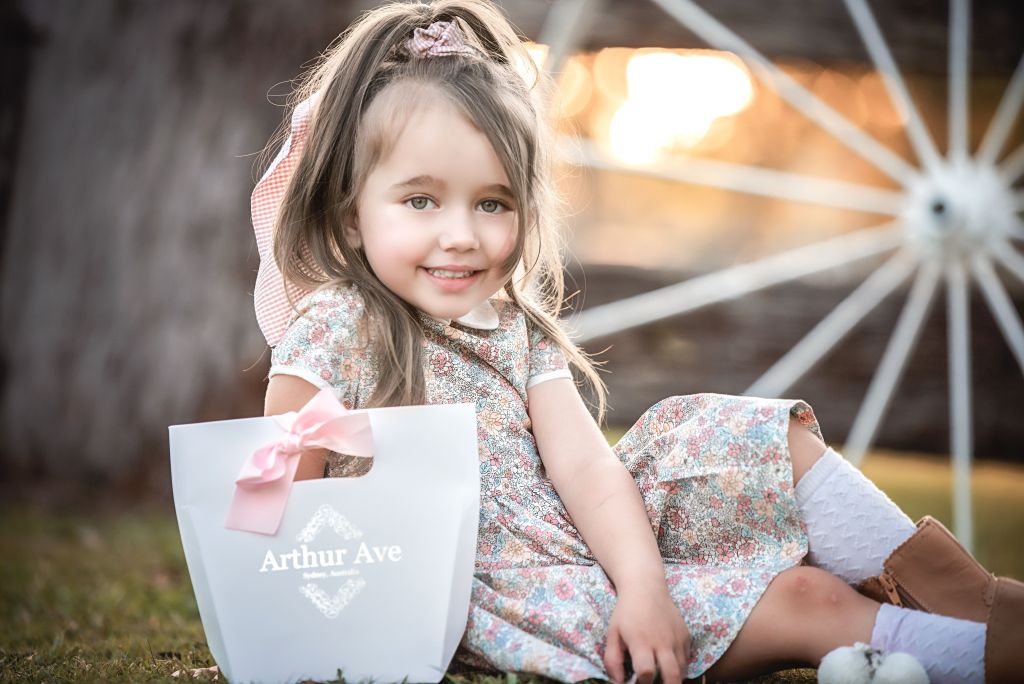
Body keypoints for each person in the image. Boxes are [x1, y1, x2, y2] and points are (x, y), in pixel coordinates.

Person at [251, 2, 1023, 682]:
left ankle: (977, 603)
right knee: (806, 598)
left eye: (493, 203)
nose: (461, 236)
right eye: (420, 200)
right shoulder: (338, 329)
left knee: (751, 436)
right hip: (507, 584)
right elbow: (278, 509)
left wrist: (645, 586)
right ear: (353, 215)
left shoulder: (511, 327)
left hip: (600, 540)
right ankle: (961, 650)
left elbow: (587, 468)